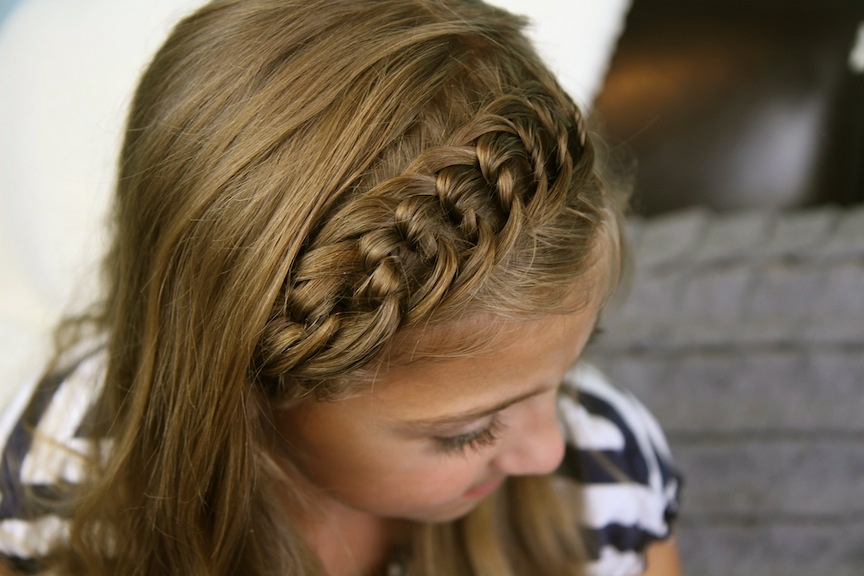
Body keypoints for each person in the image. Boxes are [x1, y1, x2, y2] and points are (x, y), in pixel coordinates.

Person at [0, 0, 681, 574]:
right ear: (240, 398)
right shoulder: (59, 468)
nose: (549, 449)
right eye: (467, 433)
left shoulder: (604, 480)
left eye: (563, 371)